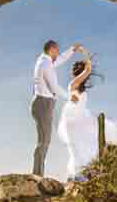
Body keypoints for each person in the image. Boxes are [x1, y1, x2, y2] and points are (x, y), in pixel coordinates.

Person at [57, 47, 117, 182]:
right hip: (73, 118)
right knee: (78, 146)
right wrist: (84, 53)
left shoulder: (78, 86)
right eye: (83, 72)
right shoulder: (74, 83)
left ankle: (79, 174)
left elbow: (87, 72)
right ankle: (76, 175)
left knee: (83, 145)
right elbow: (88, 70)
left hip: (79, 118)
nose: (86, 75)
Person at [30, 39, 81, 177]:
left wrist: (72, 49)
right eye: (57, 50)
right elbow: (54, 87)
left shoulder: (47, 61)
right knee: (44, 141)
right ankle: (37, 176)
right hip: (43, 104)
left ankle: (38, 174)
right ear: (52, 50)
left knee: (45, 140)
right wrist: (70, 97)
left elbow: (61, 59)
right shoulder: (45, 64)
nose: (58, 53)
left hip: (44, 103)